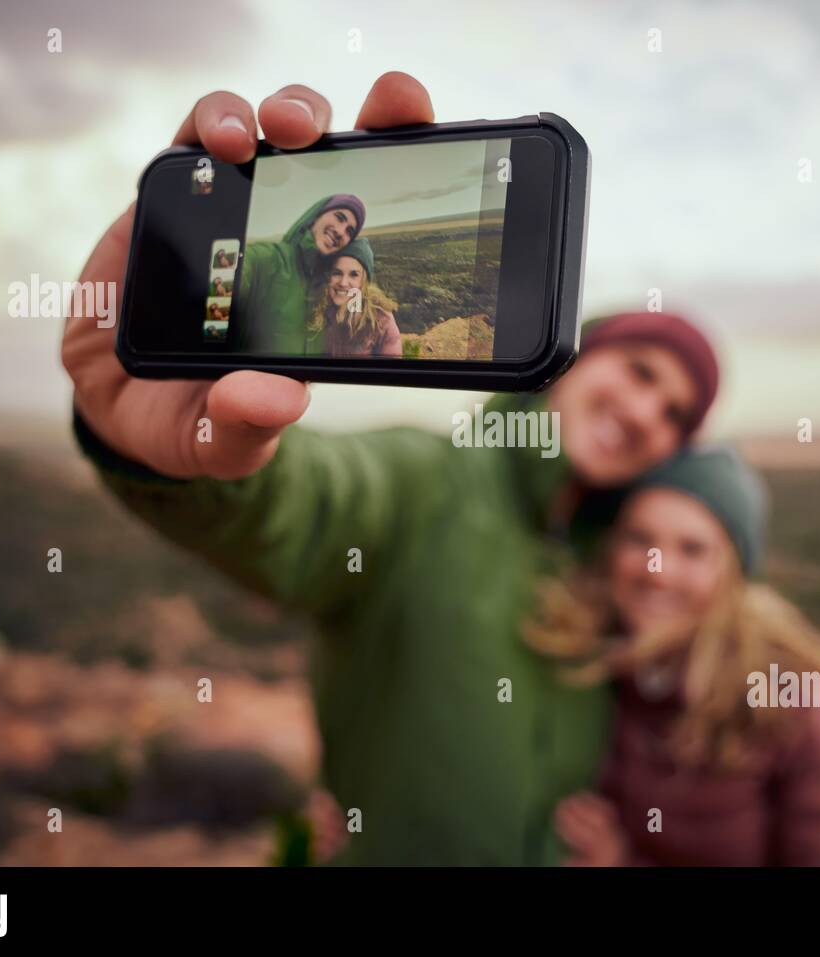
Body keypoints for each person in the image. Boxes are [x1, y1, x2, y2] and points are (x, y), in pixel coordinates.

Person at [61, 72, 722, 865]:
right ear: (575, 360)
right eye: (642, 373)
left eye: (677, 414)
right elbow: (300, 501)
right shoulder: (425, 481)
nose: (649, 413)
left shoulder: (619, 555)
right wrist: (162, 451)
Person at [535, 446, 820, 866]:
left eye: (692, 550)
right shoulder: (594, 663)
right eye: (640, 539)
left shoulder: (793, 703)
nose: (658, 571)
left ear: (732, 573)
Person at [237, 192, 366, 354]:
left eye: (349, 231)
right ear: (316, 216)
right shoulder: (269, 260)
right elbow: (239, 269)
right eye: (339, 217)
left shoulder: (330, 289)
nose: (341, 232)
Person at [309, 237, 402, 358]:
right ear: (328, 276)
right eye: (337, 273)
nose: (343, 282)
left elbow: (391, 373)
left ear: (364, 282)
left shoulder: (381, 322)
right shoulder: (315, 311)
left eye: (354, 275)